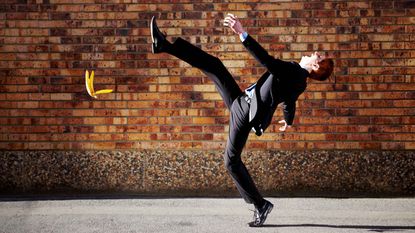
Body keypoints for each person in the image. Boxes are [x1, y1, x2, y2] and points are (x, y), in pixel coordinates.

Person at [150, 14, 334, 227]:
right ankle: (163, 44)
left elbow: (266, 60)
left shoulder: (295, 72)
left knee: (231, 161)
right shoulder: (300, 81)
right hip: (242, 102)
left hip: (245, 112)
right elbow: (289, 102)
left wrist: (241, 32)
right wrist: (288, 121)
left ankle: (260, 205)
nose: (313, 54)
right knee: (215, 65)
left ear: (316, 67)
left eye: (317, 56)